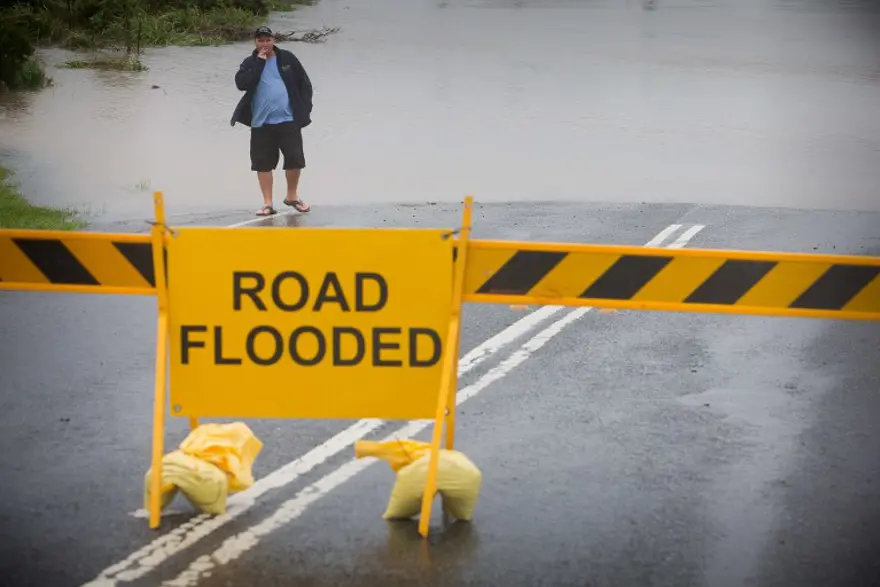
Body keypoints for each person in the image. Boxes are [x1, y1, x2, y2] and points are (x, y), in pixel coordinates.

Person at [231, 26, 313, 216]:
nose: (265, 44)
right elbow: (241, 84)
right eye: (261, 40)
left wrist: (305, 107)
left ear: (273, 40)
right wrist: (259, 63)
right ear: (255, 42)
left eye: (268, 40)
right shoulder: (250, 62)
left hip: (288, 120)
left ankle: (292, 197)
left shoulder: (288, 59)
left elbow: (304, 83)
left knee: (295, 159)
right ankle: (268, 204)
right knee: (262, 163)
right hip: (261, 123)